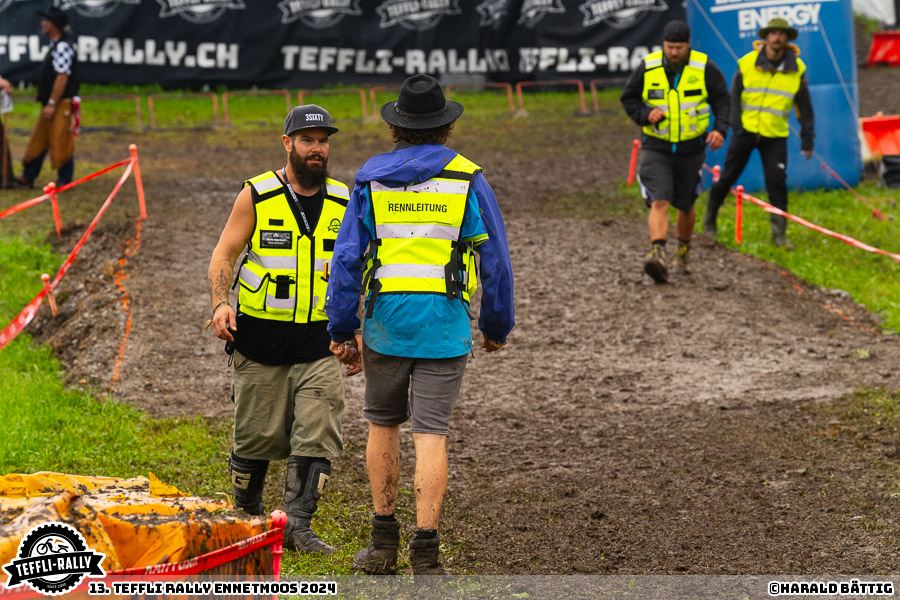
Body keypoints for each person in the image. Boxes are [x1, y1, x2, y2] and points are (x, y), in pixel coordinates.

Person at [325, 74, 515, 575]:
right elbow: (495, 260)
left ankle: (382, 544)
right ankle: (426, 556)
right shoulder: (468, 179)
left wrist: (342, 328)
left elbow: (346, 259)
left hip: (386, 325)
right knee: (431, 436)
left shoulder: (369, 180)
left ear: (396, 127)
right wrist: (497, 324)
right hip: (444, 328)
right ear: (446, 126)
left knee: (382, 426)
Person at [207, 104, 361, 554]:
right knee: (255, 438)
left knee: (318, 432)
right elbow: (223, 254)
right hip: (259, 343)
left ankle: (297, 526)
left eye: (323, 141)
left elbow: (358, 271)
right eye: (308, 140)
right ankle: (250, 519)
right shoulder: (256, 194)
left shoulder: (344, 200)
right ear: (287, 143)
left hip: (321, 345)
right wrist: (220, 303)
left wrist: (357, 330)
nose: (317, 148)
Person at [620, 20, 730, 283]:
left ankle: (683, 250)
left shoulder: (704, 67)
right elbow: (629, 98)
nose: (674, 52)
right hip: (655, 145)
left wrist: (720, 129)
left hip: (691, 148)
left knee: (686, 203)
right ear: (663, 44)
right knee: (659, 199)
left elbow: (722, 100)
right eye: (670, 47)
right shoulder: (649, 66)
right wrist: (645, 114)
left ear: (688, 45)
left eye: (679, 48)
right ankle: (657, 254)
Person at [703, 17, 815, 248]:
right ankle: (709, 221)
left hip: (775, 135)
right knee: (727, 177)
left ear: (787, 39)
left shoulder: (797, 69)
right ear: (766, 37)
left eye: (781, 34)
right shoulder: (746, 63)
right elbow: (733, 97)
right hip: (745, 131)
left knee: (777, 184)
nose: (777, 37)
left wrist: (808, 139)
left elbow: (804, 107)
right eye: (773, 33)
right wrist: (736, 126)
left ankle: (779, 236)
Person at [15, 6, 79, 188]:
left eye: (46, 20)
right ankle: (29, 175)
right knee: (40, 138)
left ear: (54, 25)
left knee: (60, 139)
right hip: (51, 103)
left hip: (60, 102)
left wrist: (52, 102)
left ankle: (65, 179)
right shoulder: (55, 45)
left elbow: (62, 77)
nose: (42, 23)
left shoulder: (62, 47)